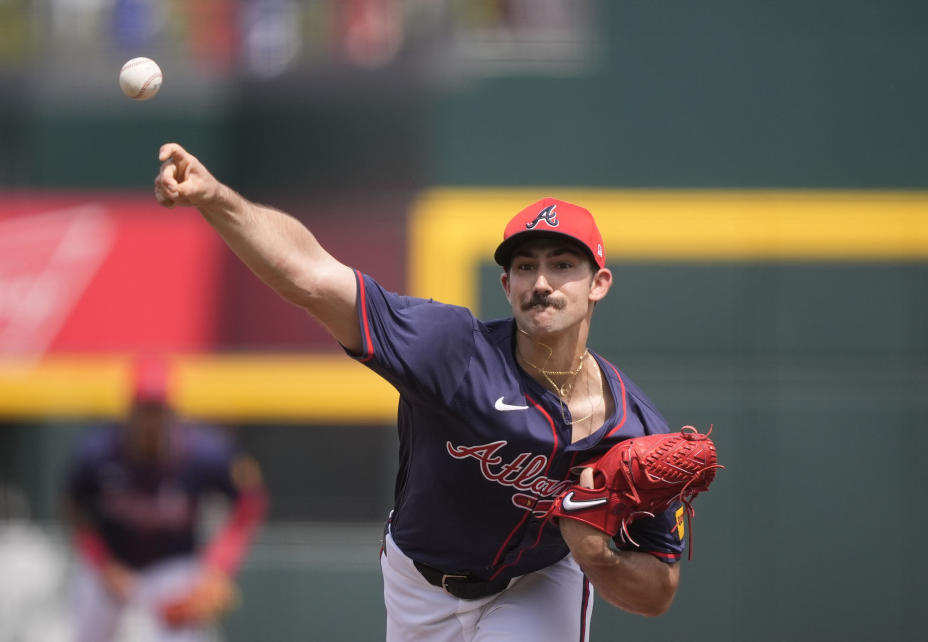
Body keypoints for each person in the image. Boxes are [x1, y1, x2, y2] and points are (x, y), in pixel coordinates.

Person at [153, 143, 683, 641]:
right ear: (506, 286)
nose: (540, 282)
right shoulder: (451, 349)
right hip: (417, 585)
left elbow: (658, 591)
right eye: (525, 266)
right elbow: (310, 276)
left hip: (537, 581)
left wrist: (598, 557)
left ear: (599, 283)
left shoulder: (635, 431)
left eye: (562, 265)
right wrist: (214, 196)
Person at [63, 356, 268, 642]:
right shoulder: (97, 453)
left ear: (171, 410)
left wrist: (217, 570)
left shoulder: (205, 453)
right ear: (130, 409)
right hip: (111, 565)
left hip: (172, 567)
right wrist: (103, 563)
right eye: (145, 408)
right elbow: (73, 507)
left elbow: (249, 505)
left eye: (157, 409)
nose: (151, 419)